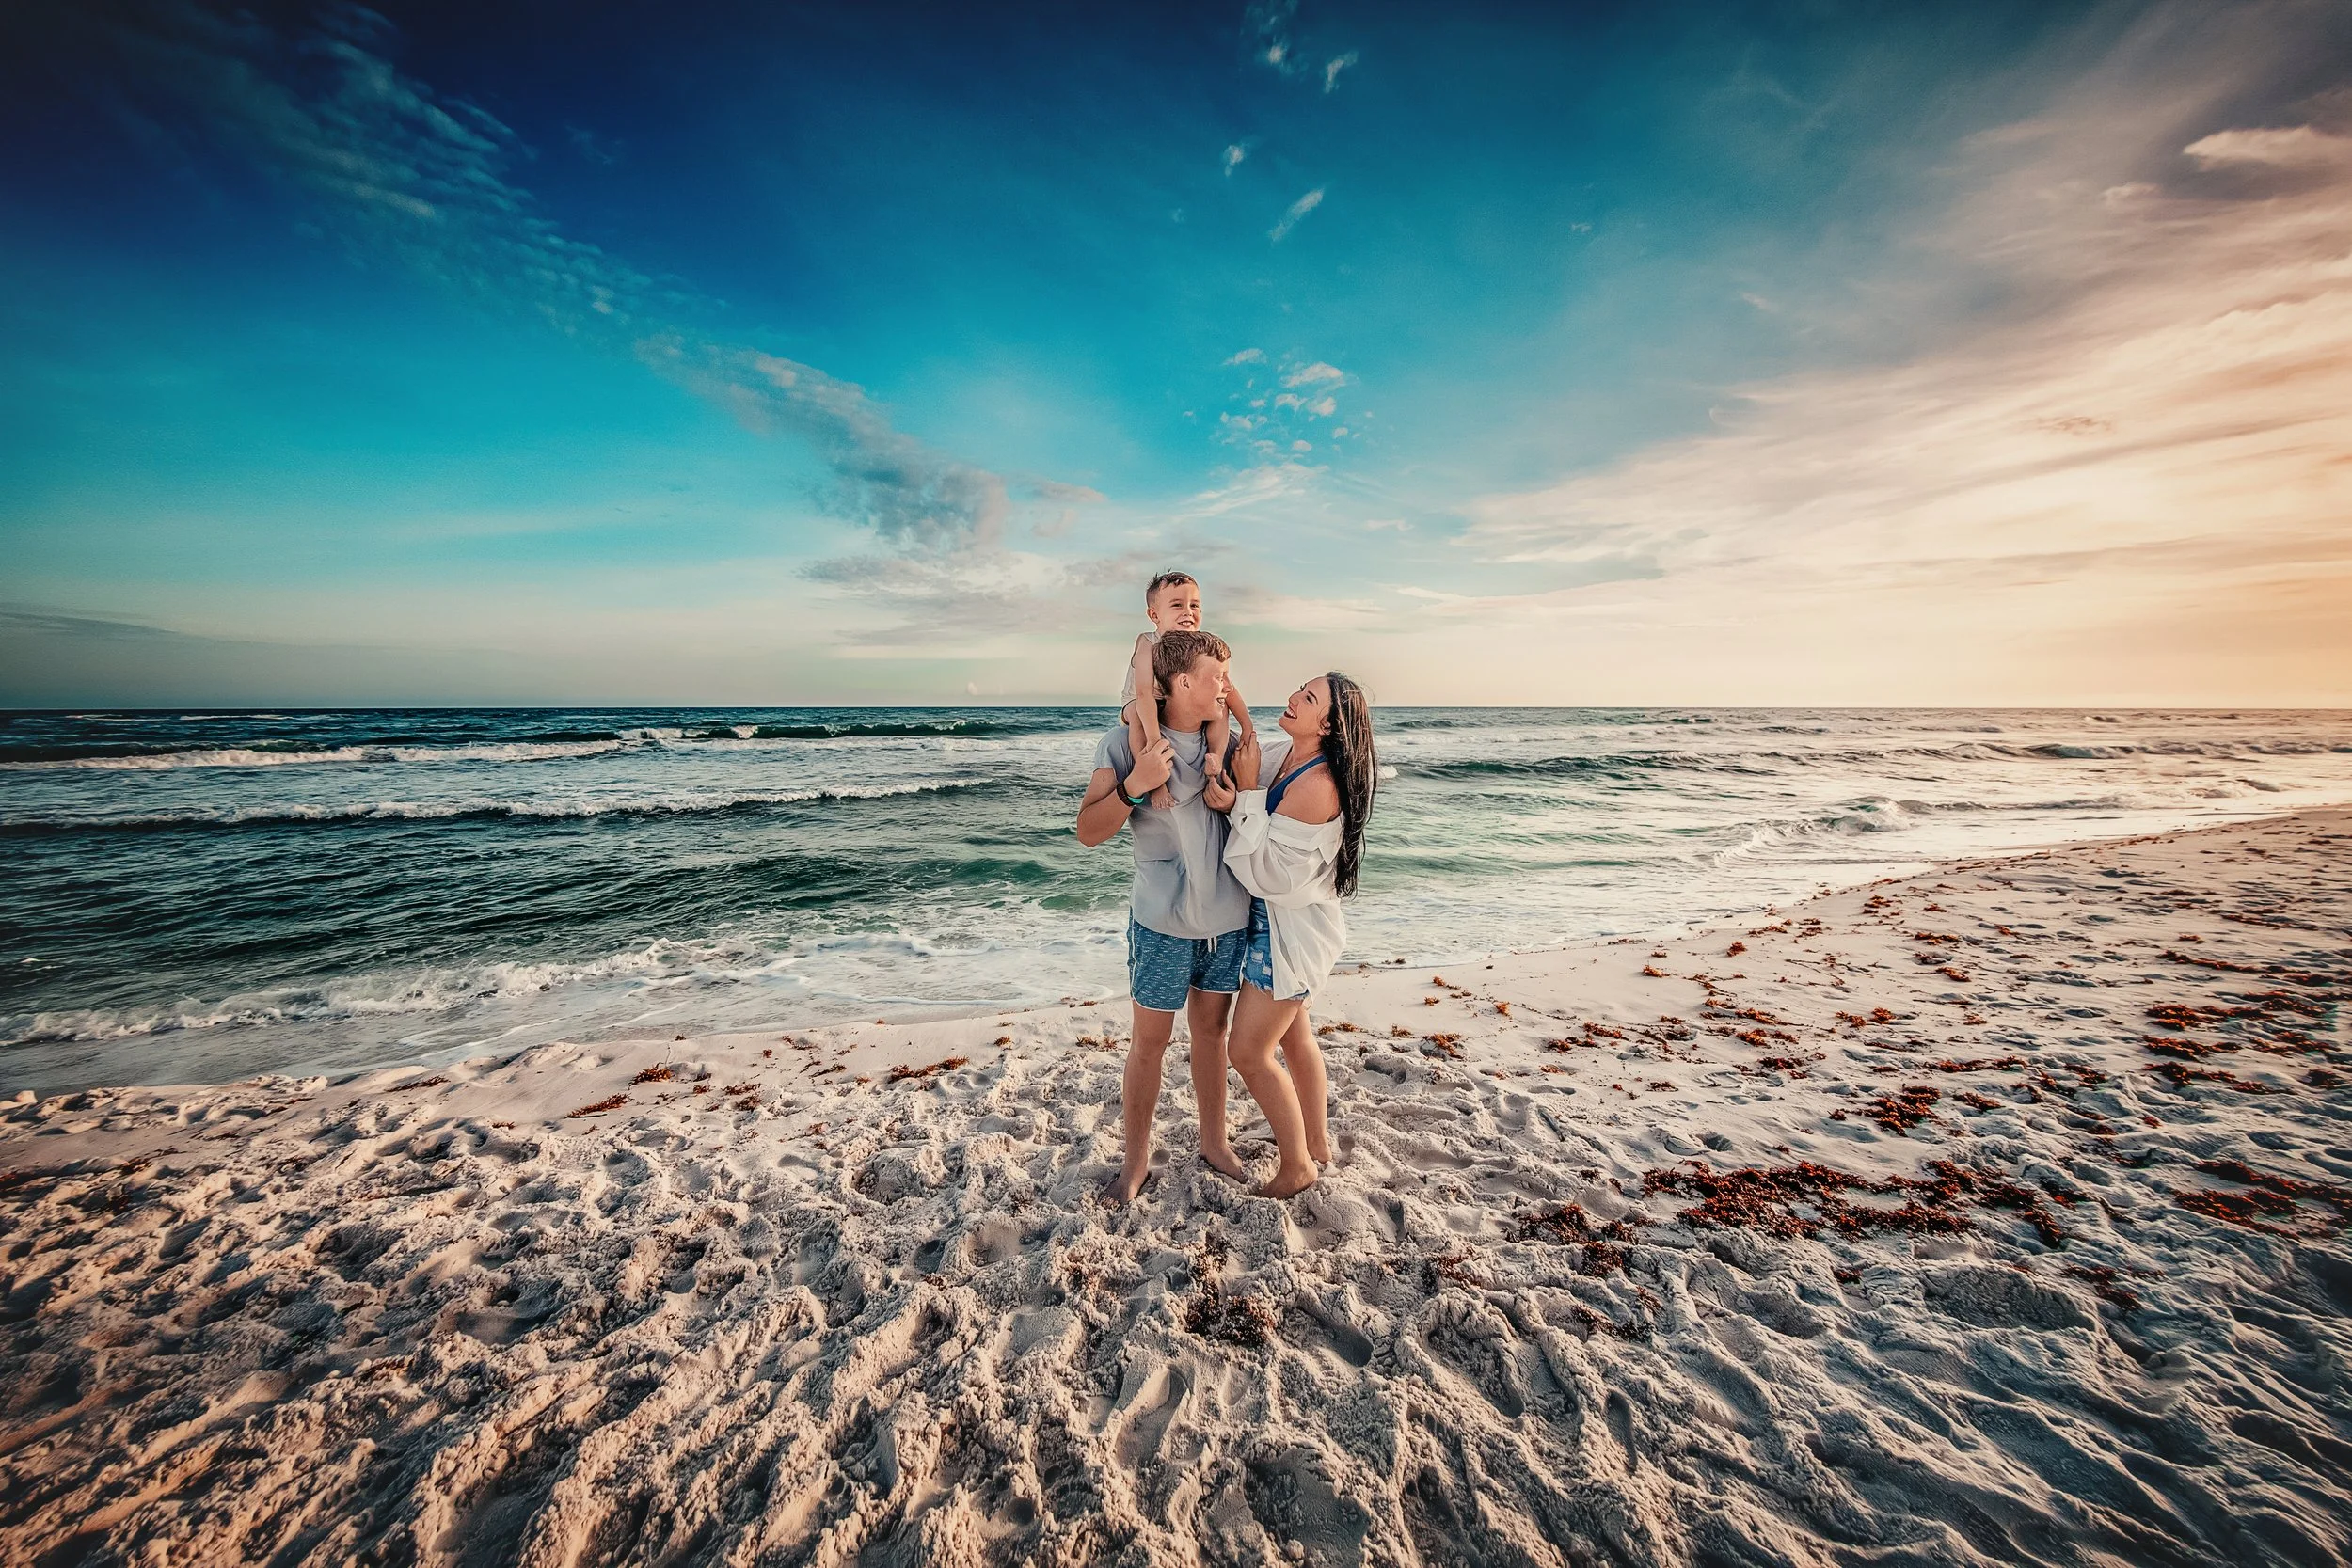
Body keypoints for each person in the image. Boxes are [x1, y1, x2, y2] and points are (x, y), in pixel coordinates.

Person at [1075, 628, 1254, 1204]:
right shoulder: (1123, 744)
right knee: (1149, 1042)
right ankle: (1134, 1162)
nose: (1225, 687)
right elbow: (1087, 832)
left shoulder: (1224, 746)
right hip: (1159, 921)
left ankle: (1214, 1142)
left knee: (1213, 1033)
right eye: (1215, 677)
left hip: (1226, 915)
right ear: (1180, 683)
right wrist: (1134, 786)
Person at [1218, 673, 1378, 1198]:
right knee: (1297, 1038)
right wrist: (1230, 696)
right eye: (1299, 689)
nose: (1291, 699)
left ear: (1328, 725)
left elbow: (1268, 874)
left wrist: (1242, 797)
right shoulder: (1285, 755)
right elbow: (1243, 752)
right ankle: (1318, 1140)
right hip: (1279, 925)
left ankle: (1297, 1166)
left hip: (1285, 936)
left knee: (1247, 1052)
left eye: (1307, 699)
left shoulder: (1316, 785)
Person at [1121, 572, 1255, 811]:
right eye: (1177, 605)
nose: (1188, 612)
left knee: (1219, 707)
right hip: (1143, 701)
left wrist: (1246, 725)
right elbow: (1143, 692)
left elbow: (1226, 685)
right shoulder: (1148, 642)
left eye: (1194, 605)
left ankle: (1214, 757)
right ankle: (1156, 783)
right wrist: (1154, 739)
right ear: (1154, 615)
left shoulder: (1199, 646)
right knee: (1136, 715)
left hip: (1178, 704)